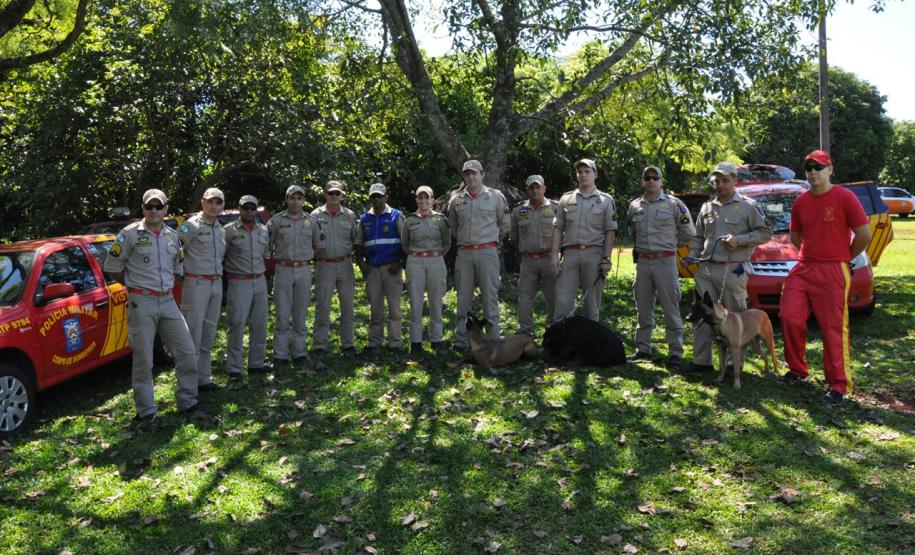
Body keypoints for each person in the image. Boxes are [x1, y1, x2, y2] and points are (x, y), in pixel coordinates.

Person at [779, 150, 872, 405]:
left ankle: (838, 385)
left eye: (818, 168)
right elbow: (796, 236)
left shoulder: (845, 197)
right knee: (789, 315)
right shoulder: (801, 202)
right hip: (804, 267)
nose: (813, 173)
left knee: (832, 328)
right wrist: (811, 253)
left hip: (833, 269)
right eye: (809, 168)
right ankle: (797, 370)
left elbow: (864, 234)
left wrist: (844, 257)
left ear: (830, 170)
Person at [103, 188, 199, 430]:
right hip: (141, 303)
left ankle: (187, 401)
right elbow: (113, 265)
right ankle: (146, 412)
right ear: (143, 209)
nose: (154, 211)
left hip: (167, 301)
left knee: (187, 351)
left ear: (166, 209)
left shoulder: (172, 236)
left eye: (159, 206)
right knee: (144, 359)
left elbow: (178, 267)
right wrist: (134, 286)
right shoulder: (129, 235)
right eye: (149, 206)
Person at [686, 161, 771, 373]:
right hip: (706, 269)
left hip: (733, 268)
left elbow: (764, 233)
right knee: (702, 312)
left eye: (725, 180)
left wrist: (740, 240)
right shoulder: (707, 207)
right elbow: (698, 237)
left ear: (735, 180)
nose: (720, 185)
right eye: (717, 180)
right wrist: (692, 256)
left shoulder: (747, 206)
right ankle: (701, 361)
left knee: (735, 314)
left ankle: (735, 364)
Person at [627, 166, 696, 371]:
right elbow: (633, 232)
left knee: (670, 307)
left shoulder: (674, 204)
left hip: (666, 261)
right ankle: (643, 348)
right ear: (642, 182)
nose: (650, 181)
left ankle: (675, 352)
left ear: (661, 181)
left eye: (654, 177)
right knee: (643, 307)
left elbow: (689, 233)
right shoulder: (634, 206)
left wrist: (671, 245)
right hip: (644, 262)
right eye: (646, 178)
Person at [447, 160, 510, 351]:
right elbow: (453, 227)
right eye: (467, 174)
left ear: (482, 175)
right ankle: (461, 341)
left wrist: (488, 240)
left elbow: (505, 225)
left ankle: (493, 341)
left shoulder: (496, 197)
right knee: (463, 299)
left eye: (475, 173)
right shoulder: (456, 200)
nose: (471, 177)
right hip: (465, 253)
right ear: (464, 177)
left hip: (487, 253)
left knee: (490, 299)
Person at [550, 158, 617, 322]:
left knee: (591, 306)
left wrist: (607, 258)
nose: (583, 175)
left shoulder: (606, 200)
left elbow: (610, 231)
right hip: (570, 254)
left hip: (594, 254)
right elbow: (558, 229)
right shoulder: (566, 199)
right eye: (579, 172)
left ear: (595, 174)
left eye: (587, 171)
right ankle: (562, 345)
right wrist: (554, 256)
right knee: (562, 301)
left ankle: (589, 346)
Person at [267, 184, 325, 367]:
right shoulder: (276, 221)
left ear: (303, 200)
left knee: (300, 313)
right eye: (292, 197)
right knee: (282, 314)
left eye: (299, 198)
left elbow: (319, 246)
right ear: (286, 199)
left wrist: (306, 261)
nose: (295, 201)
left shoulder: (312, 221)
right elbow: (266, 245)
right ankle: (280, 355)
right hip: (283, 269)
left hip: (304, 270)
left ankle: (299, 352)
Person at [177, 187, 226, 391]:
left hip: (216, 283)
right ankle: (189, 383)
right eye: (210, 202)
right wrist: (182, 278)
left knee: (208, 331)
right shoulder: (191, 226)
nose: (214, 206)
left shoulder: (220, 228)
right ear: (203, 202)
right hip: (196, 284)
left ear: (222, 205)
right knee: (193, 334)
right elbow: (176, 254)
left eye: (218, 202)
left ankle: (204, 378)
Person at [223, 194, 272, 380]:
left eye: (252, 208)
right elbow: (222, 257)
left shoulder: (263, 231)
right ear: (239, 209)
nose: (249, 211)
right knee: (236, 324)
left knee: (259, 324)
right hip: (238, 281)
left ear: (256, 209)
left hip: (259, 281)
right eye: (246, 208)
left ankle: (256, 363)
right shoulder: (228, 231)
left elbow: (266, 255)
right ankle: (234, 368)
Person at [355, 183, 405, 352]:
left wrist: (399, 262)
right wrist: (361, 264)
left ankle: (395, 343)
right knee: (375, 308)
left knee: (394, 308)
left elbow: (406, 242)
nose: (376, 199)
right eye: (373, 196)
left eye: (379, 196)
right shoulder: (364, 219)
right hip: (372, 269)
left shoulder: (396, 216)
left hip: (392, 268)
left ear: (386, 197)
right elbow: (358, 244)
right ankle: (374, 342)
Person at [402, 185, 451, 354]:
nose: (423, 201)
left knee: (436, 302)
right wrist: (417, 256)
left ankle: (436, 340)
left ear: (433, 200)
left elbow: (447, 242)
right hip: (415, 262)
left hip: (436, 261)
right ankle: (415, 342)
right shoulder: (410, 221)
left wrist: (435, 256)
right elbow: (405, 243)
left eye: (427, 198)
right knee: (416, 302)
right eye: (420, 198)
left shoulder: (440, 219)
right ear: (416, 200)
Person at [311, 181, 358, 356]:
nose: (334, 197)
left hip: (345, 264)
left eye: (337, 193)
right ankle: (320, 344)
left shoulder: (349, 215)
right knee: (323, 305)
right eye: (331, 193)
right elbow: (310, 241)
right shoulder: (315, 215)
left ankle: (348, 343)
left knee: (347, 305)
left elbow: (355, 239)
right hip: (324, 265)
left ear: (342, 195)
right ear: (325, 194)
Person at [510, 174, 558, 335]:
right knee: (524, 297)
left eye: (538, 187)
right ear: (527, 190)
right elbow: (514, 235)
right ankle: (525, 331)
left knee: (553, 297)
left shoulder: (556, 208)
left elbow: (563, 233)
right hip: (528, 260)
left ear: (544, 188)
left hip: (549, 259)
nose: (535, 190)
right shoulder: (518, 211)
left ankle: (553, 330)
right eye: (532, 187)